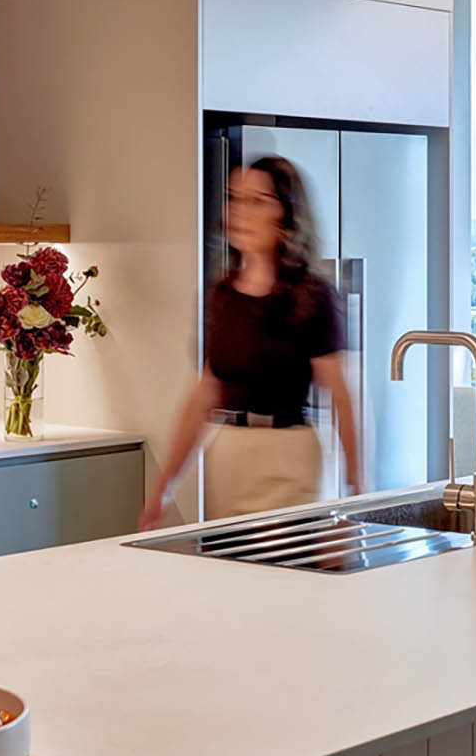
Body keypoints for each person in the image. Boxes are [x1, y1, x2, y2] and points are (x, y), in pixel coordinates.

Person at [139, 155, 364, 528]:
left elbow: (342, 393)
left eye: (257, 201)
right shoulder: (221, 296)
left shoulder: (311, 296)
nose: (239, 211)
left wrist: (358, 488)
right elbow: (204, 396)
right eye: (234, 198)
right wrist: (163, 488)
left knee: (281, 578)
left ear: (286, 218)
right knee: (230, 579)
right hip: (229, 457)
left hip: (289, 457)